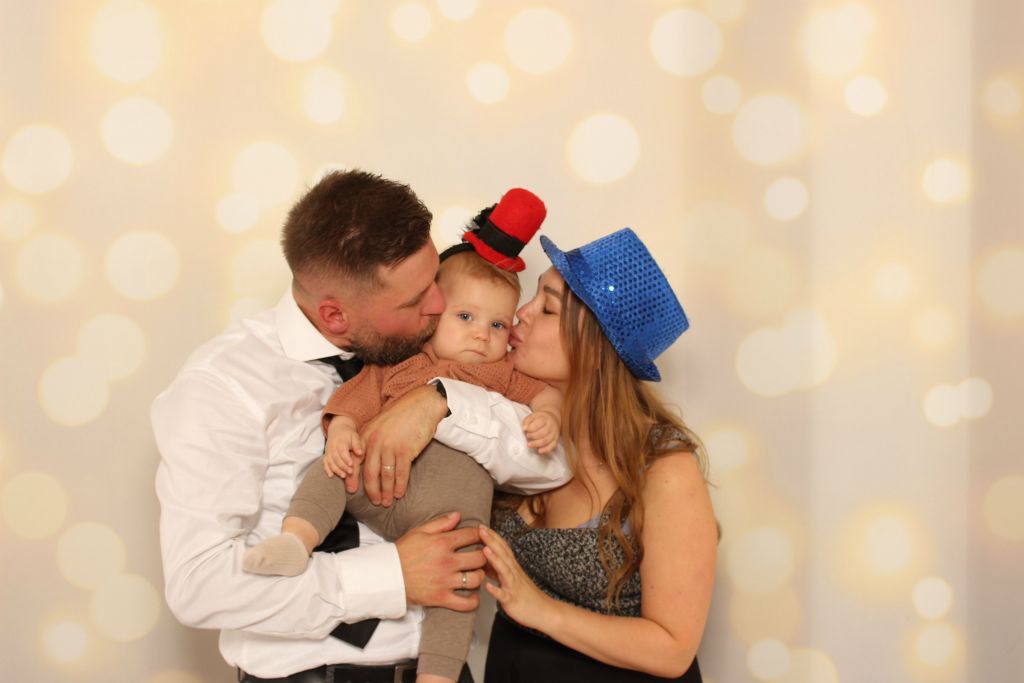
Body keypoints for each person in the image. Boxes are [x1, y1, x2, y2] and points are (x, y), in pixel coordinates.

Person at [152, 170, 570, 683]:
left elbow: (554, 466)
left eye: (434, 282)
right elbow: (198, 585)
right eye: (415, 300)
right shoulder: (224, 385)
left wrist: (438, 403)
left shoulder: (447, 358)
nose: (439, 305)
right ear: (335, 316)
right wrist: (393, 576)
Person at [476, 228, 717, 681]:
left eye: (547, 308)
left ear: (596, 347)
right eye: (533, 297)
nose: (521, 314)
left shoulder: (664, 470)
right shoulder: (510, 420)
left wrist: (540, 609)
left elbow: (673, 649)